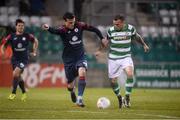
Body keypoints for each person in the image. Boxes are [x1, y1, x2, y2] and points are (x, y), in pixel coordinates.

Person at [42, 12, 105, 107]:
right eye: (70, 22)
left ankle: (80, 99)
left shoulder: (80, 25)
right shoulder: (62, 30)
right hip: (68, 60)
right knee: (70, 85)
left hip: (80, 56)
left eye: (73, 22)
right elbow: (54, 31)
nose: (72, 24)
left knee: (82, 71)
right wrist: (48, 28)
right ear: (65, 21)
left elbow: (94, 29)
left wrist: (102, 38)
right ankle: (72, 92)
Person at [96, 15, 149, 109]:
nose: (115, 26)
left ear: (123, 22)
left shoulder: (130, 28)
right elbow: (105, 41)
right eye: (114, 24)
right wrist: (99, 50)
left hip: (126, 56)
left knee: (130, 73)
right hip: (113, 58)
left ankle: (127, 97)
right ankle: (120, 97)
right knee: (113, 81)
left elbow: (137, 37)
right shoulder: (111, 30)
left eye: (118, 24)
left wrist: (144, 45)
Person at [1, 19, 38, 101]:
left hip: (24, 59)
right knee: (18, 76)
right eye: (19, 25)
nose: (21, 27)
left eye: (22, 26)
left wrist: (34, 51)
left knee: (15, 73)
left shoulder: (27, 35)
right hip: (14, 59)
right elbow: (4, 45)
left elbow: (36, 41)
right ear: (16, 26)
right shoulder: (11, 36)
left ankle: (13, 93)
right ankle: (24, 93)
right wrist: (3, 52)